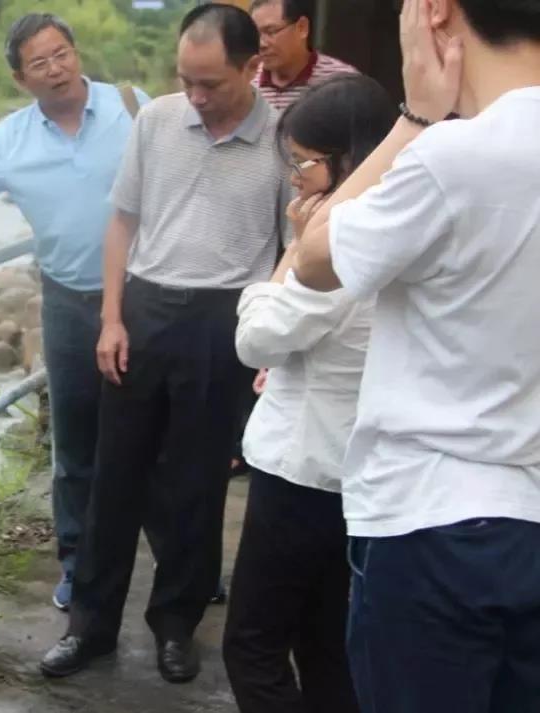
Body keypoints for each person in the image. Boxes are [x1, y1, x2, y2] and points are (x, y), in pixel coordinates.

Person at [292, 0, 540, 711]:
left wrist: (415, 119)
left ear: (435, 13)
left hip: (433, 521)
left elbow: (313, 259)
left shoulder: (453, 156)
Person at [40, 3, 290, 683]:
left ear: (251, 67)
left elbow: (290, 251)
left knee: (196, 484)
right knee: (113, 476)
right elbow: (122, 222)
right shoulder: (155, 121)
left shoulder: (281, 138)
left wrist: (270, 344)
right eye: (186, 80)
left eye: (212, 83)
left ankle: (176, 624)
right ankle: (89, 625)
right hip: (145, 309)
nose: (196, 96)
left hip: (224, 321)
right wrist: (112, 318)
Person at [0, 13, 149, 612]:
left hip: (147, 296)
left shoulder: (132, 107)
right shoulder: (11, 139)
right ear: (21, 80)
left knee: (158, 433)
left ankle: (178, 565)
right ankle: (77, 563)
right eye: (39, 63)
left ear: (77, 53)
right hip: (68, 303)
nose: (55, 69)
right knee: (73, 445)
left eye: (61, 53)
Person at [222, 74, 397, 713]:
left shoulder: (341, 243)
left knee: (252, 648)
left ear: (349, 159)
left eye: (303, 162)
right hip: (353, 470)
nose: (294, 178)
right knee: (326, 643)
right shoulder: (397, 221)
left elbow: (257, 340)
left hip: (301, 471)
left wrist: (291, 254)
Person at [249, 0, 357, 111]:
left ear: (302, 27)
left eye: (271, 31)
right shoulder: (247, 80)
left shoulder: (343, 83)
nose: (261, 44)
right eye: (255, 34)